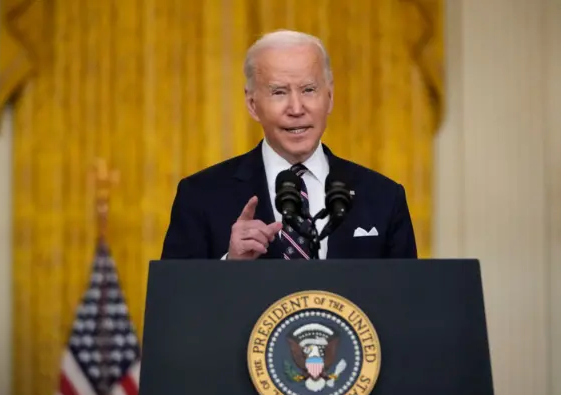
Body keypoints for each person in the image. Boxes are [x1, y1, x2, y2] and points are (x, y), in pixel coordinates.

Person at [161, 30, 417, 260]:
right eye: (279, 92)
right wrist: (230, 266)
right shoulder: (201, 195)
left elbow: (408, 303)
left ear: (329, 97)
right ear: (252, 104)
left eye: (308, 90)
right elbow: (174, 306)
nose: (296, 109)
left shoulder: (383, 197)